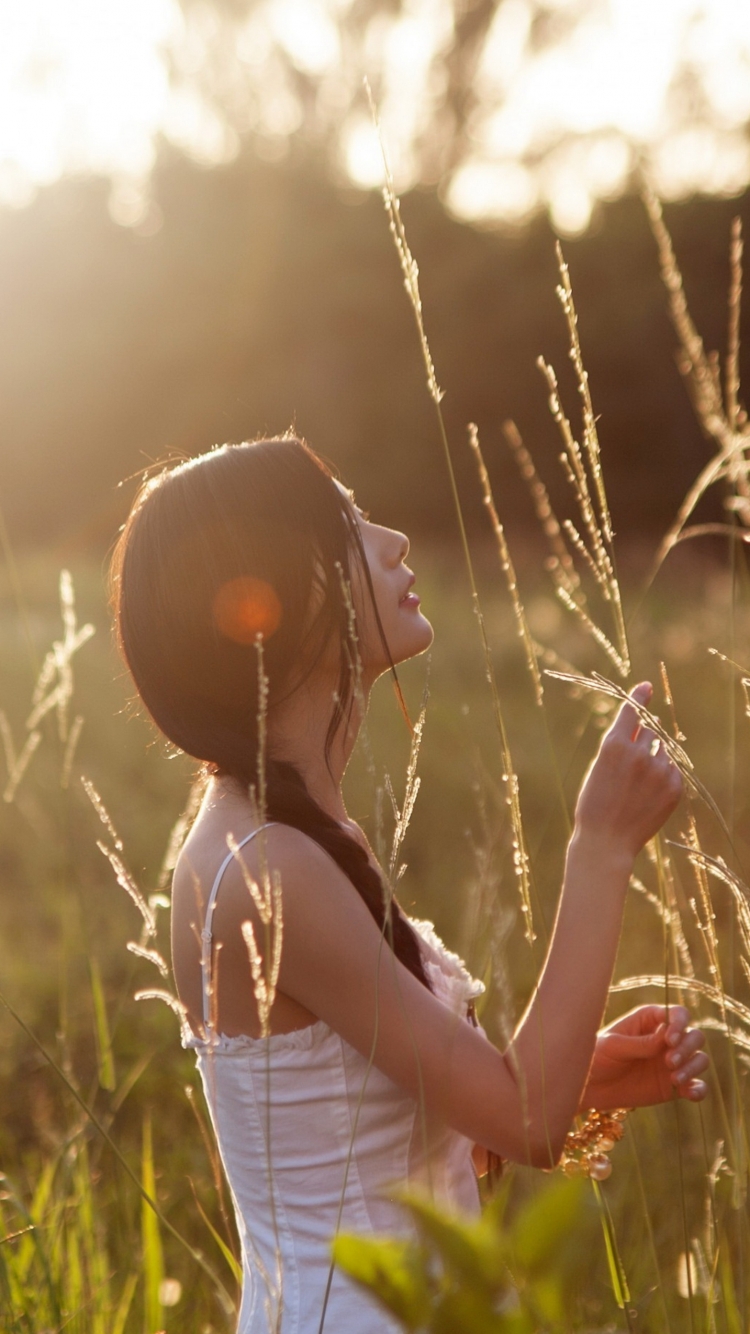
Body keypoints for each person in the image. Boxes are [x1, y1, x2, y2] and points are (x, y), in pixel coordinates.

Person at [111, 436, 709, 1334]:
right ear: (270, 593)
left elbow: (371, 1144)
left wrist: (579, 1078)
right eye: (347, 523)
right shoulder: (268, 864)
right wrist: (601, 845)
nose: (391, 540)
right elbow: (527, 1123)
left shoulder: (278, 835)